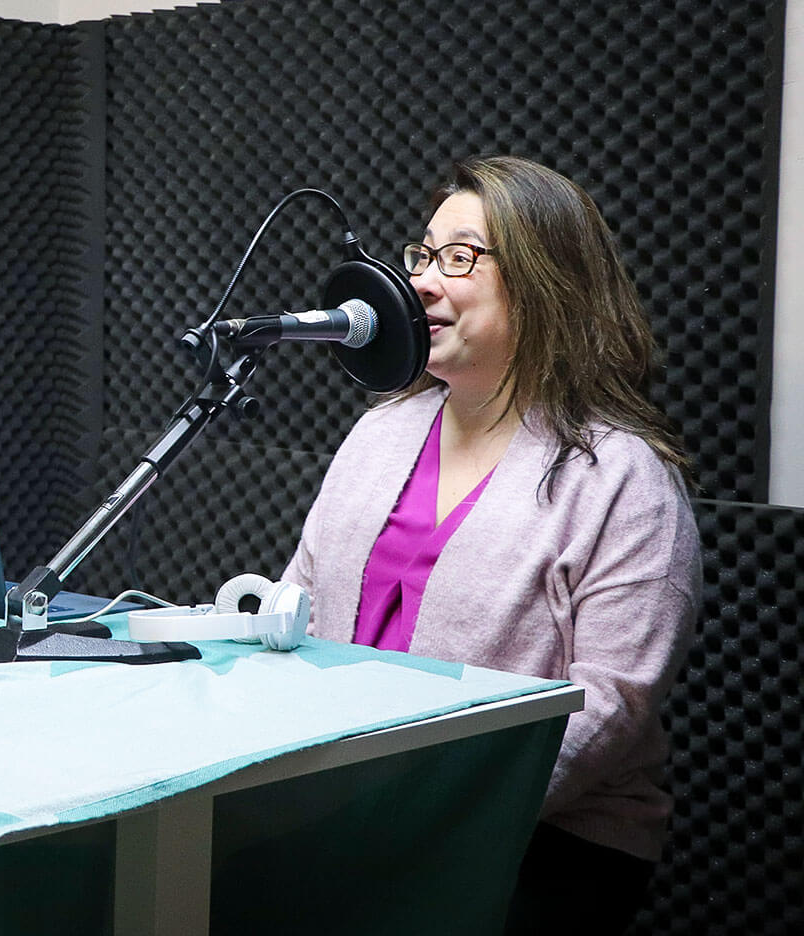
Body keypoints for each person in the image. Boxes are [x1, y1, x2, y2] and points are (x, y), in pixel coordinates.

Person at [281, 155, 698, 935]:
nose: (422, 283)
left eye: (461, 258)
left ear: (546, 278)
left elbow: (612, 704)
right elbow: (299, 603)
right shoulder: (380, 432)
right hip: (349, 801)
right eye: (422, 256)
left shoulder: (621, 477)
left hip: (543, 835)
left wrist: (433, 813)